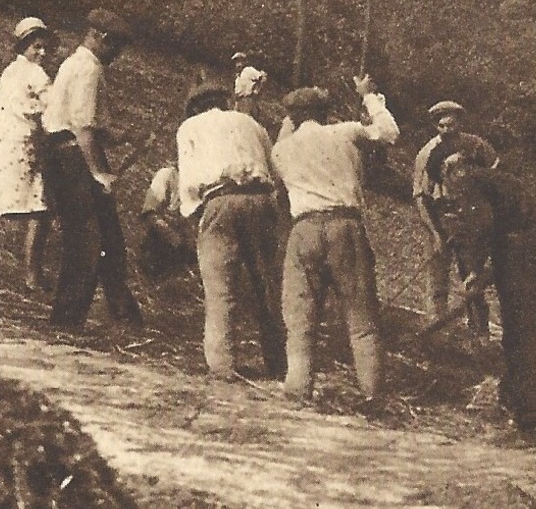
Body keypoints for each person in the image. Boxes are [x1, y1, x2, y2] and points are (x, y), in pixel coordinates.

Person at [270, 77, 399, 404]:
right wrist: (370, 96)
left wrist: (289, 125)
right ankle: (372, 394)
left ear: (292, 117)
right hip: (345, 226)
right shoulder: (345, 132)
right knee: (361, 317)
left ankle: (298, 388)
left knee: (300, 317)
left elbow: (278, 159)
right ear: (325, 113)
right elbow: (389, 133)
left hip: (304, 229)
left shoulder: (282, 149)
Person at [432, 143, 536, 444]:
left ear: (452, 169)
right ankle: (521, 409)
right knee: (524, 337)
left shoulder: (469, 180)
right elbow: (504, 228)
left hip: (520, 258)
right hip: (533, 255)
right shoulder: (502, 181)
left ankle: (534, 424)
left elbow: (482, 227)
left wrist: (474, 268)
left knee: (520, 340)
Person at [40, 8, 143, 331]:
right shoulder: (89, 70)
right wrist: (100, 174)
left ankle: (124, 315)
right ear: (102, 39)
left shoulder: (76, 64)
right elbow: (84, 131)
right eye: (116, 48)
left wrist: (124, 136)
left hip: (69, 156)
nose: (117, 56)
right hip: (73, 161)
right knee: (87, 241)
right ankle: (67, 322)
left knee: (109, 240)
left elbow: (91, 127)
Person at [176, 81, 286, 380]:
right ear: (225, 102)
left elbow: (189, 179)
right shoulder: (251, 124)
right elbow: (275, 170)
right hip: (261, 201)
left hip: (221, 200)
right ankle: (279, 363)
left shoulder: (190, 127)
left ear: (196, 106)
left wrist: (194, 211)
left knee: (220, 290)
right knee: (266, 285)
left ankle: (222, 365)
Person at [412, 100, 496, 337]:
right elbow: (421, 196)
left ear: (460, 122)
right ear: (435, 126)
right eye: (442, 126)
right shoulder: (428, 153)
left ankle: (480, 334)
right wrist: (436, 233)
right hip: (439, 216)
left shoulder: (477, 146)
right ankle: (436, 332)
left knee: (472, 278)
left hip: (470, 219)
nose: (448, 130)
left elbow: (496, 179)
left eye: (452, 124)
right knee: (438, 279)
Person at [0, 16, 56, 291]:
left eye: (45, 48)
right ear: (23, 46)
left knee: (32, 209)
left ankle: (24, 269)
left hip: (6, 146)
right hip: (23, 147)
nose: (41, 53)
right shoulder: (34, 74)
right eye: (36, 47)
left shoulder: (10, 71)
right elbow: (54, 105)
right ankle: (32, 274)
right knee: (40, 210)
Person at [136, 165, 196, 283]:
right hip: (162, 248)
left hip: (189, 254)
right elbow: (150, 214)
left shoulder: (201, 177)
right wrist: (178, 242)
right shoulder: (167, 175)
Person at [231, 51, 269, 120]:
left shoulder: (248, 70)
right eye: (236, 62)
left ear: (244, 62)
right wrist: (236, 106)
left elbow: (263, 78)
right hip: (239, 102)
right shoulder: (237, 77)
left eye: (240, 61)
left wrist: (256, 91)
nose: (238, 64)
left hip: (248, 101)